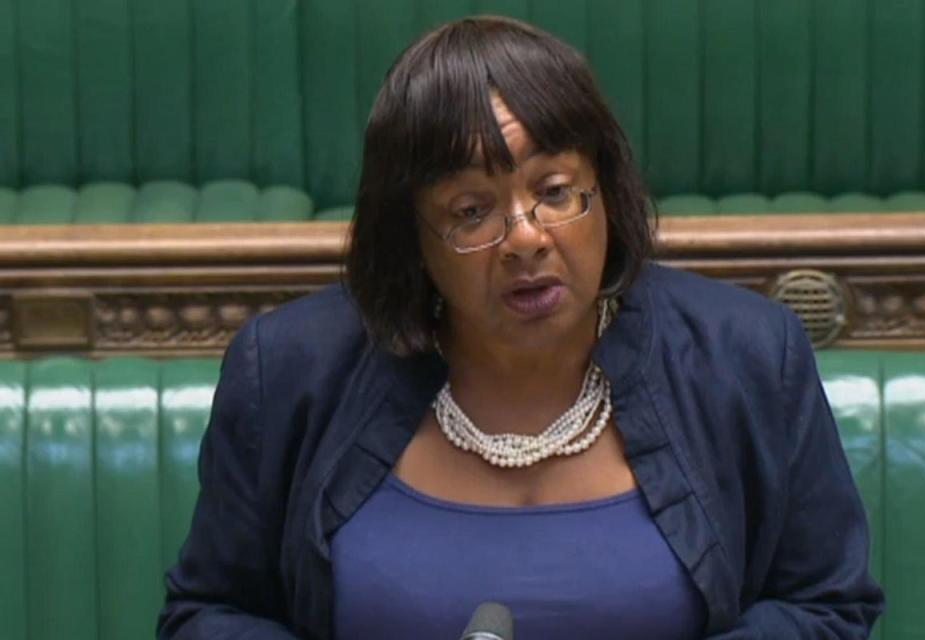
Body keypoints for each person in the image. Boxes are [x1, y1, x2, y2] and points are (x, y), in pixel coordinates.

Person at [157, 15, 883, 639]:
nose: (526, 238)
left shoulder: (748, 358)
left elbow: (825, 604)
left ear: (607, 191)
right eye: (471, 211)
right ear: (412, 237)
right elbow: (210, 612)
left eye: (556, 192)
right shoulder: (289, 371)